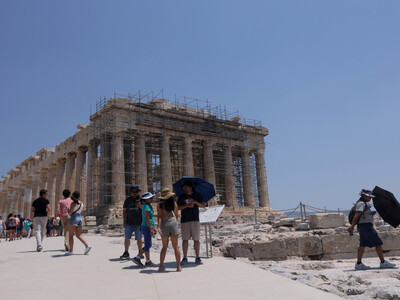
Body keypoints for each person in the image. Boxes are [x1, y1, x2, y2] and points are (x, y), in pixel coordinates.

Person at [348, 189, 396, 270]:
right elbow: (357, 214)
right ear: (364, 195)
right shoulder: (361, 203)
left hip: (363, 226)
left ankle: (359, 264)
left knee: (362, 245)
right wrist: (352, 226)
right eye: (369, 196)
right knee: (378, 243)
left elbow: (362, 215)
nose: (370, 198)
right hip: (366, 226)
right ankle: (383, 262)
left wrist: (370, 214)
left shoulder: (363, 203)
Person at [177, 180, 206, 265]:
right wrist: (187, 205)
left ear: (190, 187)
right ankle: (185, 257)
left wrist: (196, 202)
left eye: (186, 187)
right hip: (185, 219)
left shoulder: (197, 195)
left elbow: (204, 205)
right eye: (184, 187)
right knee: (185, 239)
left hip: (195, 219)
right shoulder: (181, 196)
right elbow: (178, 207)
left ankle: (197, 257)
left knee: (196, 239)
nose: (184, 188)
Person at [157, 188, 181, 272]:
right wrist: (175, 224)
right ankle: (178, 267)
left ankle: (161, 266)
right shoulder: (174, 203)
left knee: (164, 247)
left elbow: (159, 217)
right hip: (173, 222)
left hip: (164, 223)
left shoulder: (160, 204)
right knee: (176, 247)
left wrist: (158, 227)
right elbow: (177, 215)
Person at [132, 192, 157, 267]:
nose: (152, 199)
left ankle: (148, 261)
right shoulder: (147, 206)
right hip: (146, 227)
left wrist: (139, 205)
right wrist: (151, 228)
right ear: (146, 199)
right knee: (148, 245)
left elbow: (144, 210)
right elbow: (147, 218)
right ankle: (137, 257)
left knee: (147, 244)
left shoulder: (146, 206)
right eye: (150, 198)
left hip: (146, 226)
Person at [120, 185, 143, 260]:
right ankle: (126, 252)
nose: (135, 193)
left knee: (139, 238)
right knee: (127, 237)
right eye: (133, 192)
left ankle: (140, 252)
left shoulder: (141, 199)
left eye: (136, 192)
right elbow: (124, 211)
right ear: (130, 192)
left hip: (139, 222)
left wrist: (139, 205)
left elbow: (145, 209)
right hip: (129, 222)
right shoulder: (127, 200)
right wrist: (124, 220)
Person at [66, 191, 91, 255]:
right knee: (78, 235)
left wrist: (67, 210)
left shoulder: (73, 203)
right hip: (80, 218)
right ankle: (87, 246)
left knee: (71, 235)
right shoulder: (82, 204)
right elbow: (81, 213)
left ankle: (71, 251)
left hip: (74, 218)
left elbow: (70, 213)